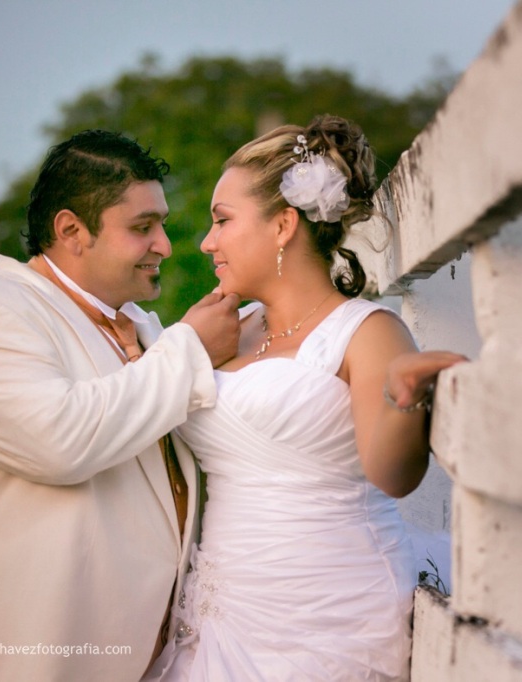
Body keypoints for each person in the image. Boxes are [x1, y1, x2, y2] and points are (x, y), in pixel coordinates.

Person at [145, 115, 466, 681]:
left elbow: (392, 476)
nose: (207, 242)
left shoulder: (367, 332)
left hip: (326, 615)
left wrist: (402, 396)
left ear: (283, 225)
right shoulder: (231, 328)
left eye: (222, 221)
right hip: (223, 609)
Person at [0, 130, 241, 681]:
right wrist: (190, 349)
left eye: (160, 224)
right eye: (142, 228)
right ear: (71, 231)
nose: (164, 244)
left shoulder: (149, 332)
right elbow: (60, 440)